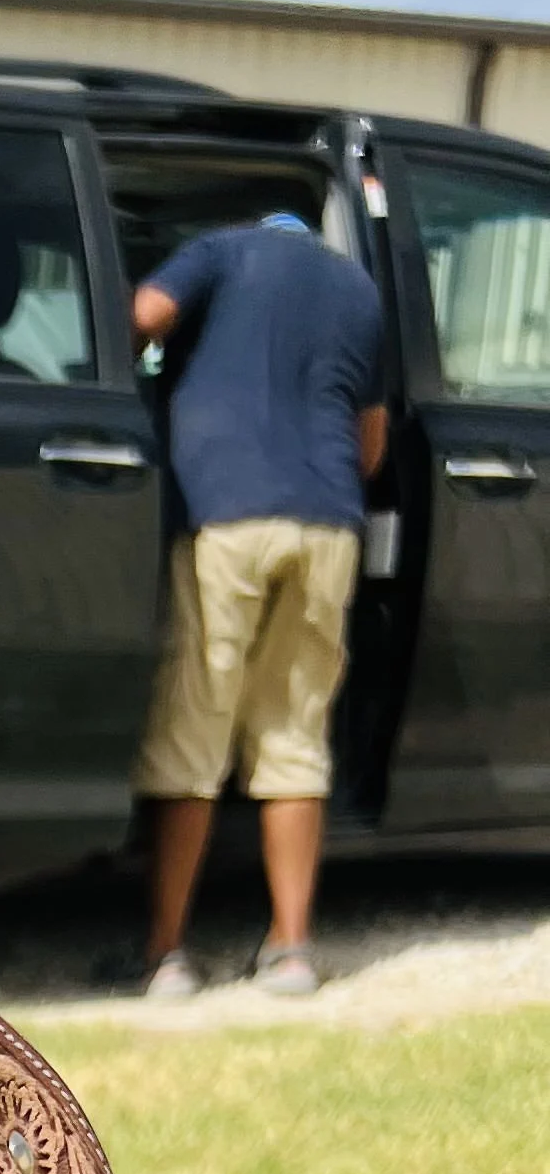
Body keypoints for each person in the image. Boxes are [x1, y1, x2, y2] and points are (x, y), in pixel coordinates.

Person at [130, 207, 388, 1000]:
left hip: (227, 510)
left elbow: (146, 315)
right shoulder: (358, 288)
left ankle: (167, 953)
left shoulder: (216, 249)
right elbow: (371, 444)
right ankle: (291, 951)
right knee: (294, 733)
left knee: (196, 727)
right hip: (328, 524)